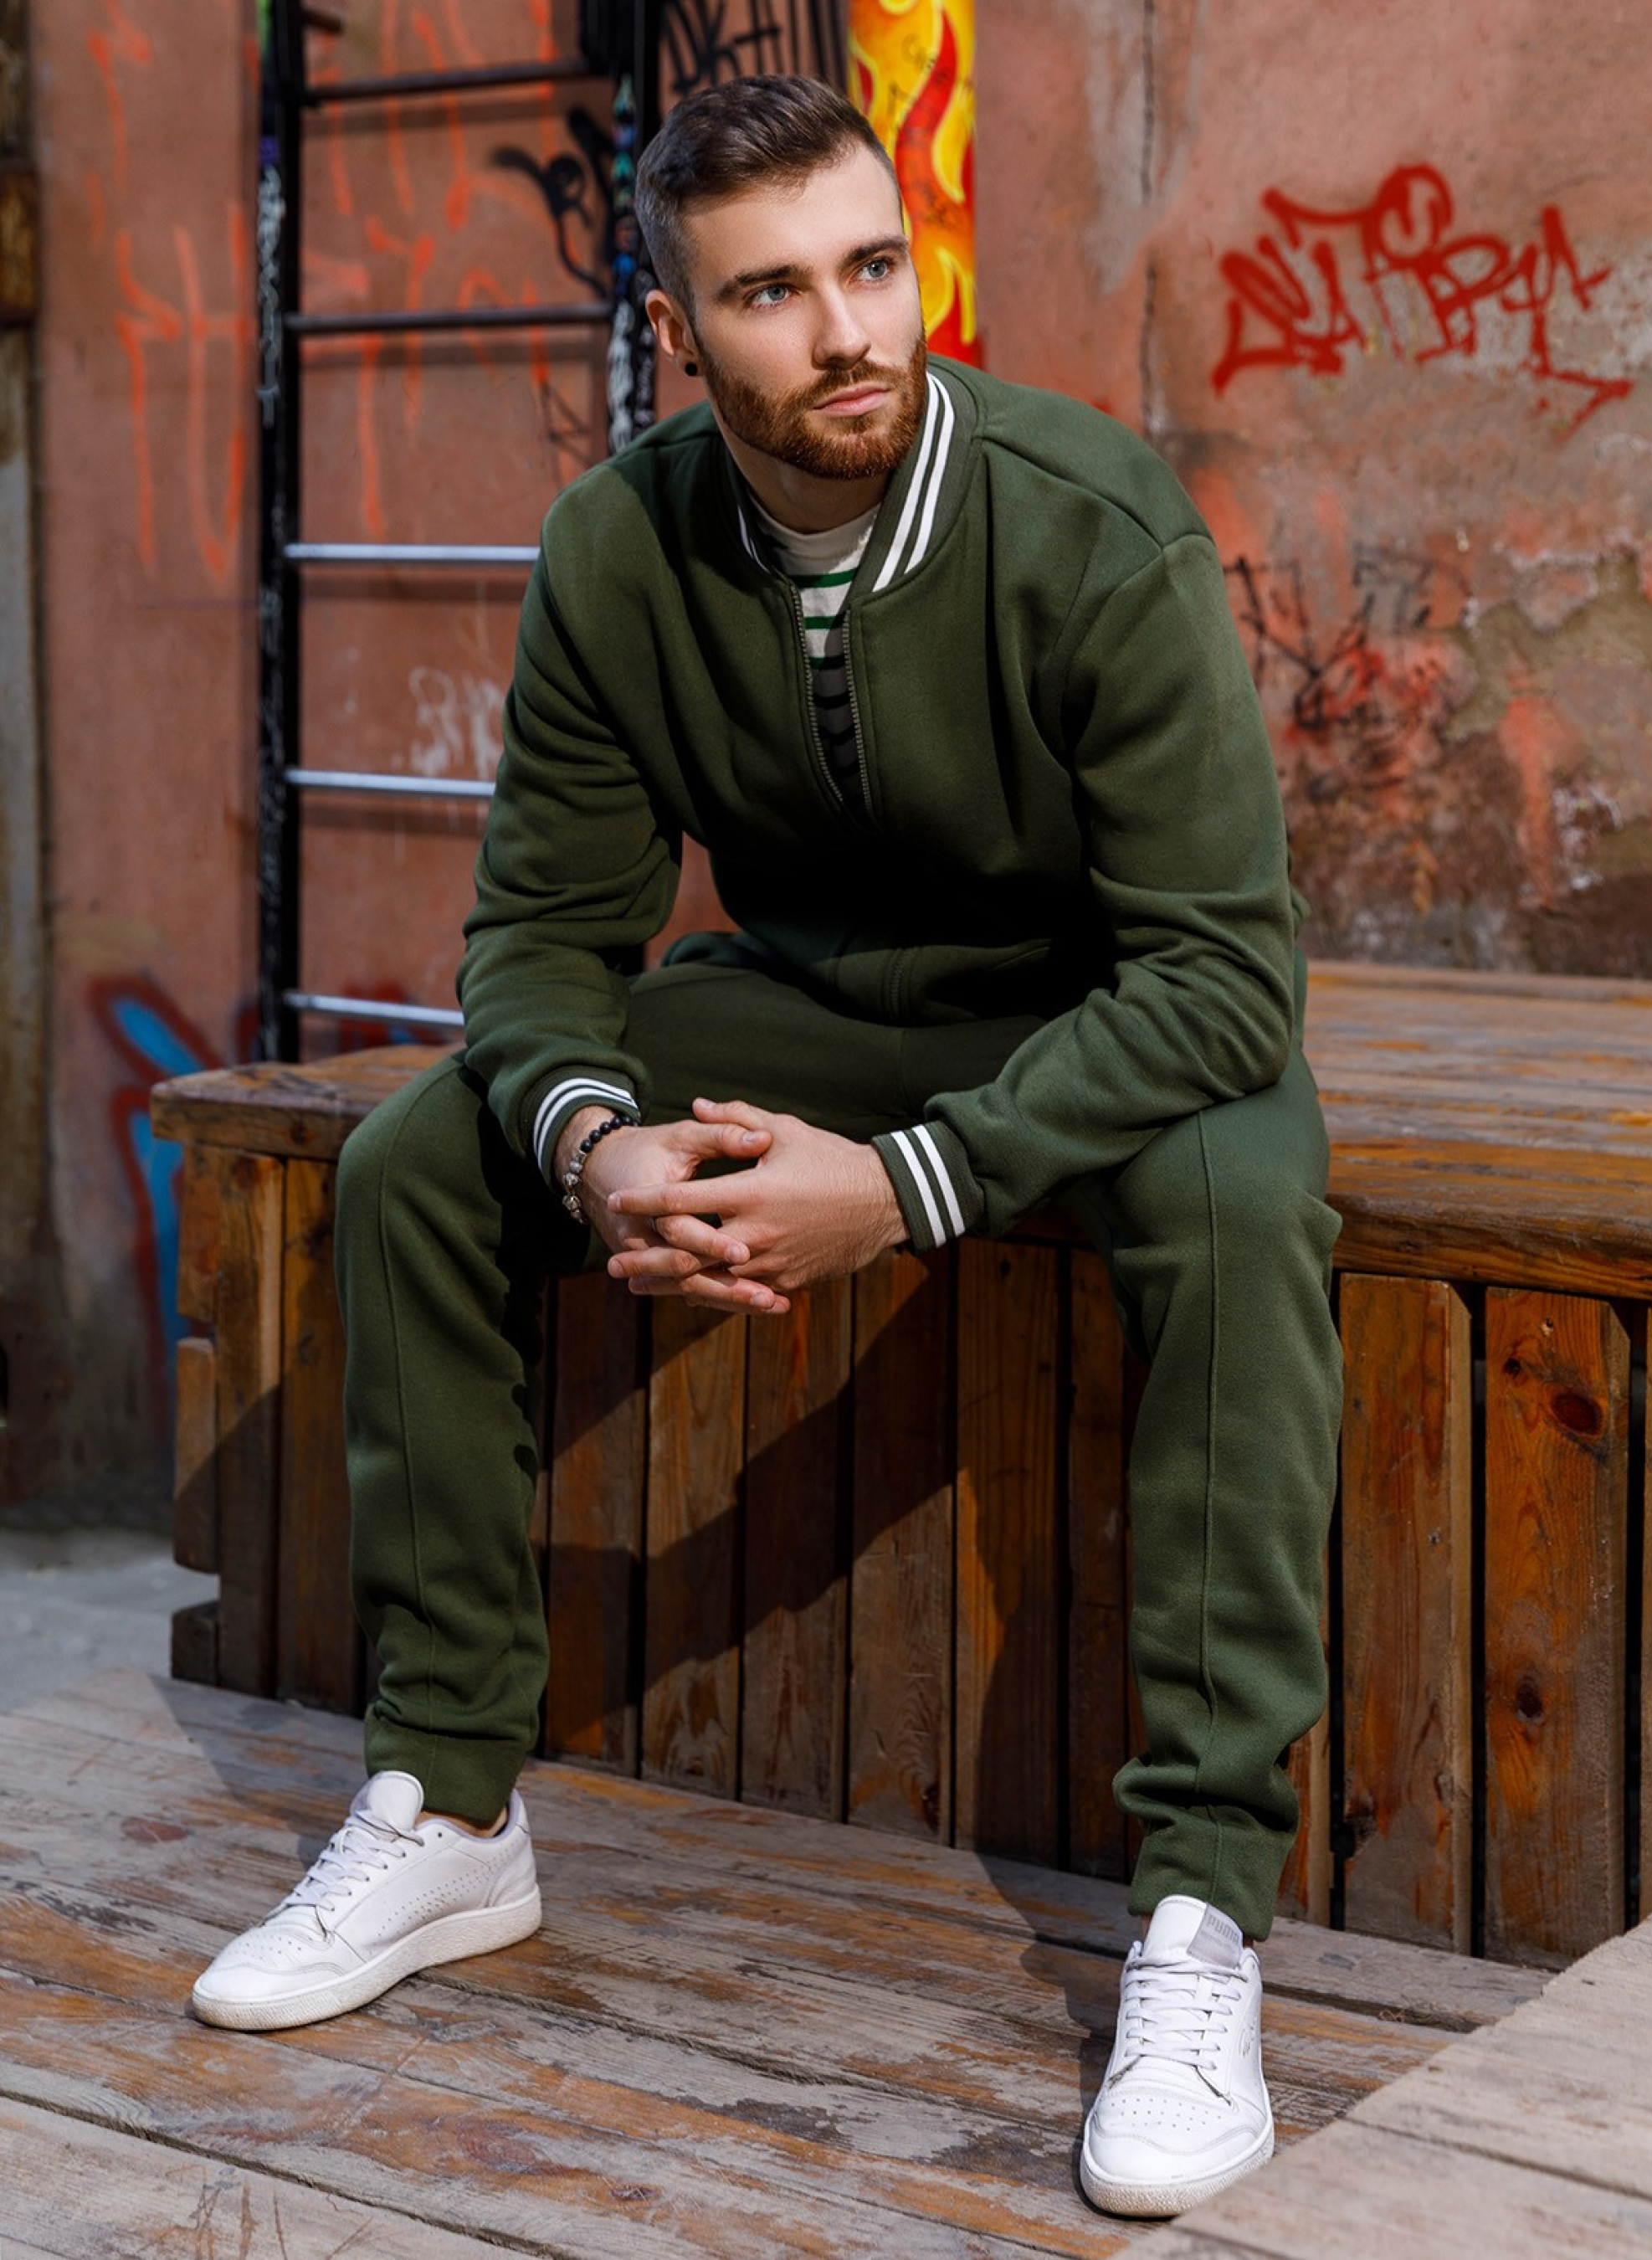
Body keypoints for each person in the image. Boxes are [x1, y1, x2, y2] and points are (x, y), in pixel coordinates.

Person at [191, 73, 1342, 2221]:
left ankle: (1201, 1908)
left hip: (1098, 1007)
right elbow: (542, 938)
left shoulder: (1091, 524)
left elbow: (1219, 980)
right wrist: (591, 1142)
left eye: (873, 267)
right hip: (802, 1000)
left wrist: (897, 1188)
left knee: (1243, 1189)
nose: (847, 333)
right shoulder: (616, 549)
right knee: (418, 1160)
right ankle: (452, 1808)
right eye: (774, 293)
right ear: (673, 331)